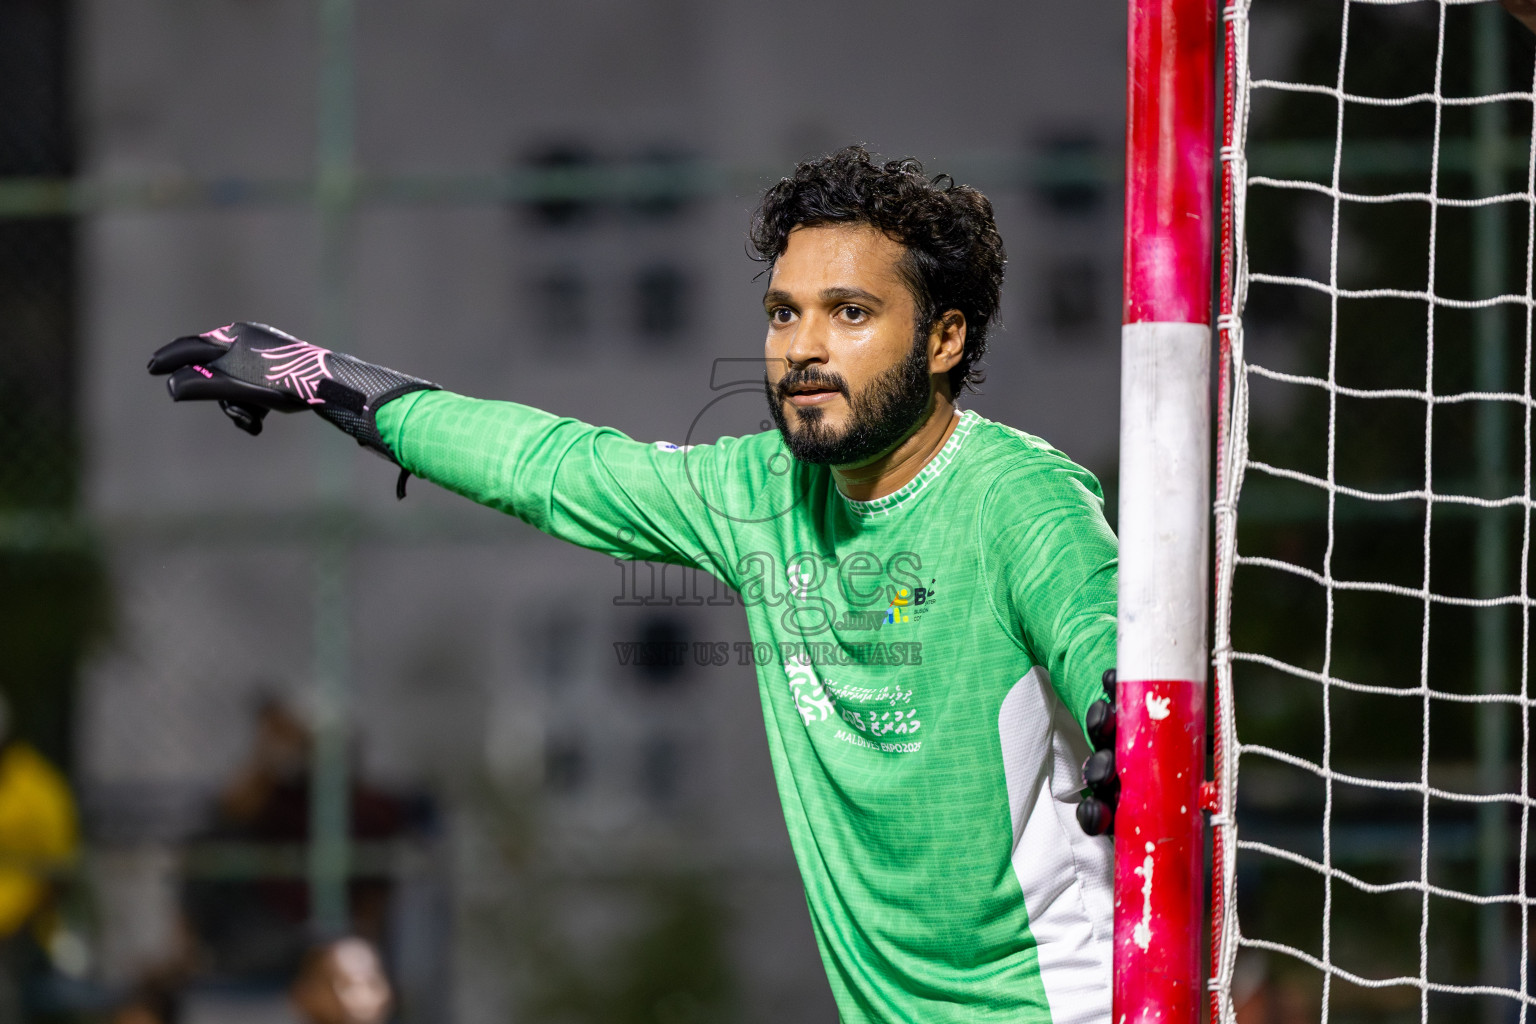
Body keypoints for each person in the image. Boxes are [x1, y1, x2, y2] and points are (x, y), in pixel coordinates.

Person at [148, 146, 1120, 1024]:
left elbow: (1098, 625)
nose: (803, 346)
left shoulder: (1016, 498)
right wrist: (327, 379)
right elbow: (554, 464)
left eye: (851, 312)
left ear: (944, 339)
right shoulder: (762, 493)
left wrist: (1127, 709)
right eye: (786, 311)